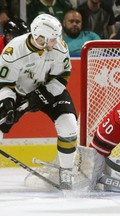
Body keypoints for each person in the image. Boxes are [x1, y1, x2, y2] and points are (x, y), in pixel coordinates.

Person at [0, 14, 78, 190]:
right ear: (39, 37)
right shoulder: (14, 50)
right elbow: (4, 84)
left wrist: (45, 93)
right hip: (17, 92)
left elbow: (62, 76)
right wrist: (8, 103)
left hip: (49, 89)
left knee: (69, 125)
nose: (56, 42)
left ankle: (66, 171)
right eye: (52, 39)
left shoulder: (59, 48)